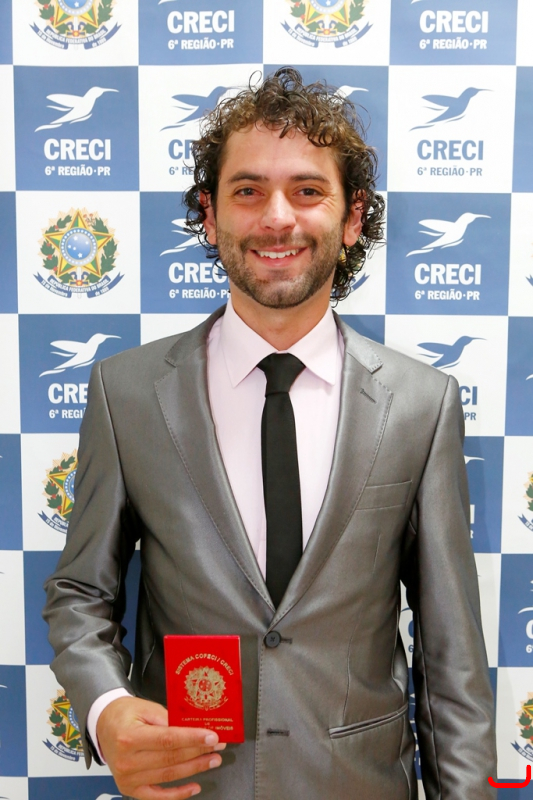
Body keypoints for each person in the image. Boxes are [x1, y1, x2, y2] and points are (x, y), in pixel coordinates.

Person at [44, 68, 497, 800]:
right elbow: (79, 592)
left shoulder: (422, 403)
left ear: (352, 219)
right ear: (209, 214)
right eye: (248, 190)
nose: (276, 218)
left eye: (308, 191)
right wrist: (107, 708)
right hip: (194, 784)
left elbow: (452, 654)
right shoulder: (125, 394)